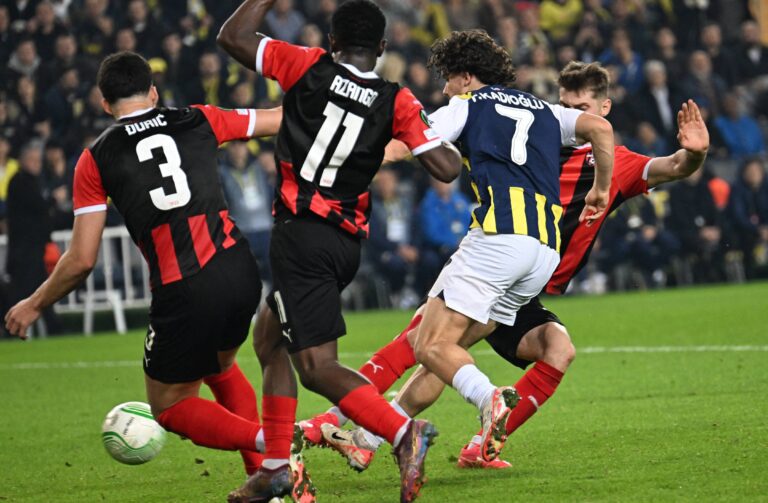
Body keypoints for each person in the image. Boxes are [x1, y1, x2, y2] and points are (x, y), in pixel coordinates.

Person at [308, 61, 709, 470]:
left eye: (583, 106)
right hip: (501, 259)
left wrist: (696, 154)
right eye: (567, 103)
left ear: (604, 108)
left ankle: (473, 444)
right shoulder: (540, 135)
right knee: (424, 343)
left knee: (546, 350)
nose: (574, 111)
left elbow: (674, 166)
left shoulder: (613, 163)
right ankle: (337, 422)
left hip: (527, 280)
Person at [1, 52, 306, 499]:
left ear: (105, 104)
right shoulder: (200, 118)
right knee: (220, 368)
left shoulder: (95, 159)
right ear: (154, 92)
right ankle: (270, 482)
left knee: (168, 404)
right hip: (238, 270)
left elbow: (82, 258)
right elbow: (279, 120)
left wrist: (33, 303)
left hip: (183, 287)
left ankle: (272, 449)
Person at [216, 1, 462, 501]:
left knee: (317, 368)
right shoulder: (397, 100)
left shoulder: (306, 64)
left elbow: (233, 37)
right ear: (383, 49)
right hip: (346, 242)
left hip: (301, 238)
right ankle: (275, 468)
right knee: (268, 342)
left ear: (331, 42)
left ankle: (400, 432)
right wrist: (423, 137)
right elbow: (446, 167)